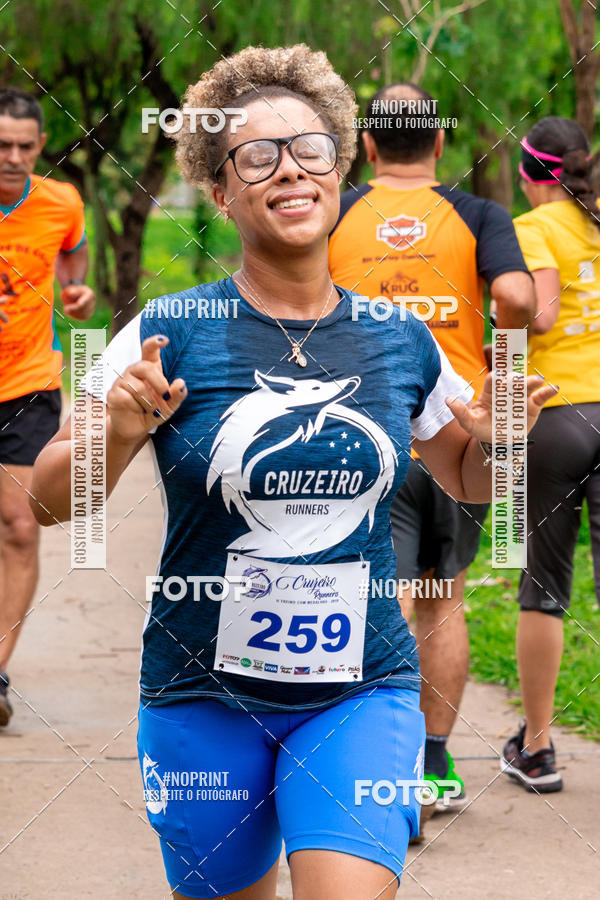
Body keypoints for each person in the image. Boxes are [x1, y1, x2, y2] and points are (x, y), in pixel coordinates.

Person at [31, 46, 553, 899]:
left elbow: (469, 479)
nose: (290, 172)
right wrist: (117, 431)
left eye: (310, 149)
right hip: (200, 694)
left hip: (362, 688)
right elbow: (51, 502)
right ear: (222, 187)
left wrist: (501, 441)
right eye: (257, 157)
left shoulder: (398, 338)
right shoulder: (171, 329)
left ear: (341, 167)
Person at [328, 82, 535, 810]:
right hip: (456, 432)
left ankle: (366, 763)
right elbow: (516, 297)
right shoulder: (477, 214)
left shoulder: (339, 208)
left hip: (355, 436)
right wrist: (500, 375)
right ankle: (435, 764)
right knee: (441, 598)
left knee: (365, 598)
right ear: (440, 144)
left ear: (370, 147)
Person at [500, 116, 600, 793]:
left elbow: (538, 313)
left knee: (545, 587)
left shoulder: (532, 228)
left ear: (530, 172)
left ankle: (536, 749)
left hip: (559, 413)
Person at [0, 88, 95, 726]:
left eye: (24, 147)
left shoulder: (60, 201)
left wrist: (79, 296)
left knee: (18, 526)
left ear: (39, 147)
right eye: (0, 145)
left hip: (28, 385)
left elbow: (73, 262)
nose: (11, 158)